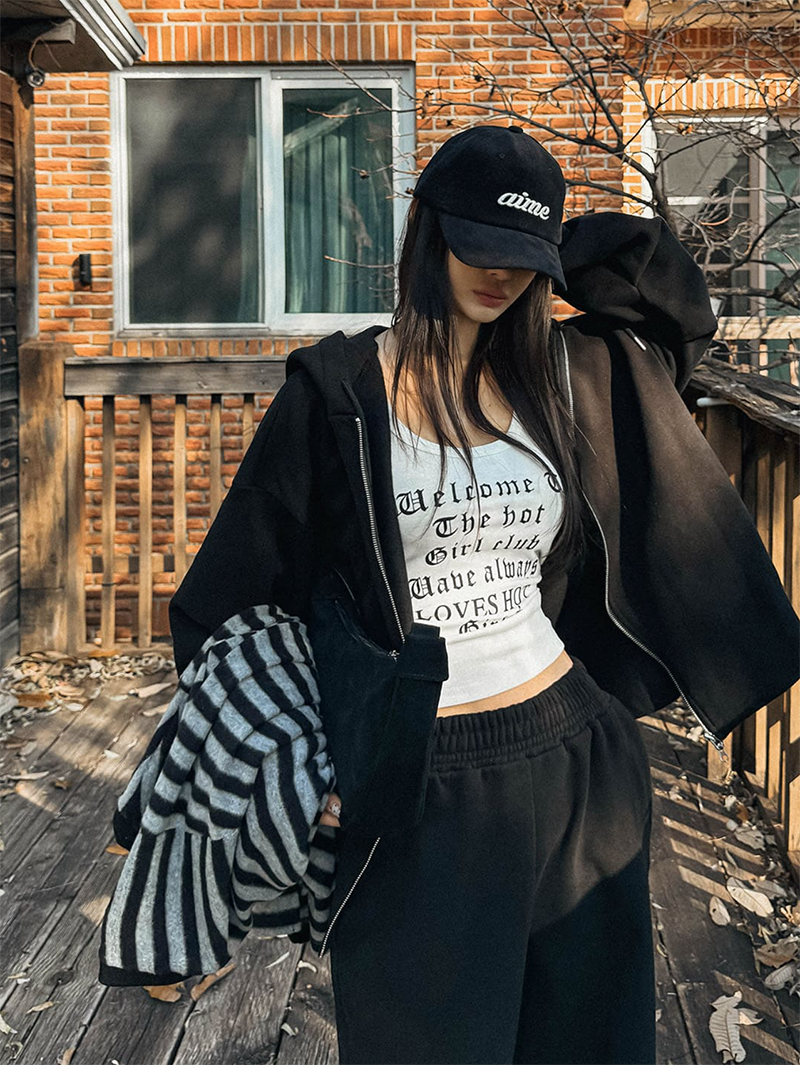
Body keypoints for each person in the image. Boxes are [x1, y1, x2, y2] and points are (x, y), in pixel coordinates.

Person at [167, 124, 800, 1065]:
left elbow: (676, 305)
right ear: (426, 230)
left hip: (577, 753)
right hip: (420, 785)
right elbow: (222, 606)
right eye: (479, 244)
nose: (501, 274)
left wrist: (549, 236)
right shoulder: (338, 395)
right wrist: (295, 770)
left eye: (522, 258)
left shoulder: (565, 372)